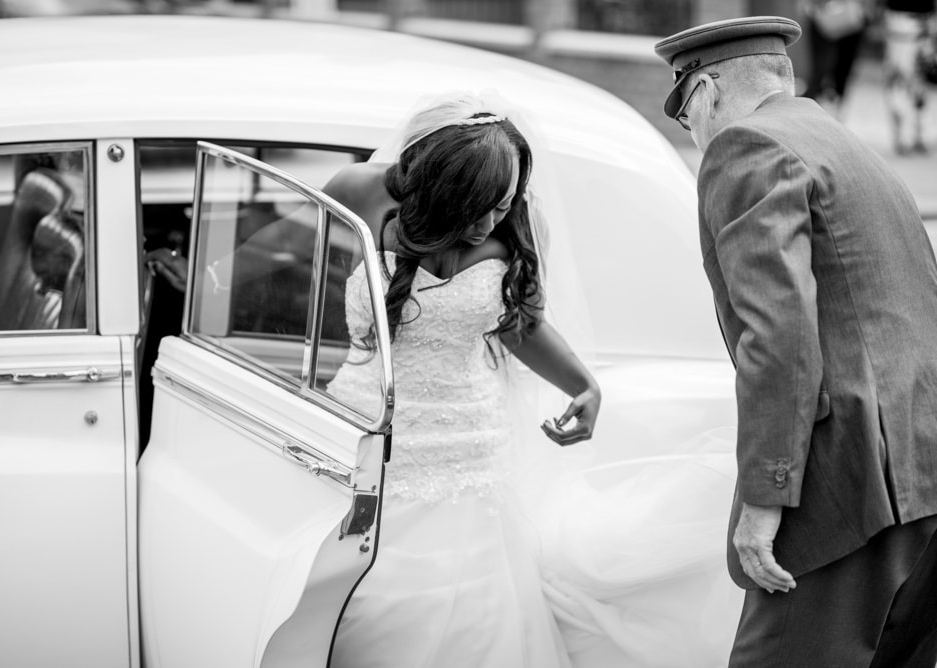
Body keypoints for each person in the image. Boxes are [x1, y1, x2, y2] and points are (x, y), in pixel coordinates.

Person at [320, 93, 743, 668]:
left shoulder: (517, 225)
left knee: (469, 609)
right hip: (356, 431)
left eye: (503, 203)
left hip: (467, 452)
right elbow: (309, 280)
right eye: (477, 207)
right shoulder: (356, 192)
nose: (491, 220)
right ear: (435, 189)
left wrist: (584, 387)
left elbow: (520, 326)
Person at [656, 15, 937, 666]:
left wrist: (764, 498)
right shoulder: (840, 139)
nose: (694, 135)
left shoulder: (748, 146)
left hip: (852, 484)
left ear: (704, 91)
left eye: (685, 116)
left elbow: (779, 339)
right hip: (921, 468)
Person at [799, 0, 871, 117]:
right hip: (821, 14)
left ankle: (834, 113)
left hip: (850, 15)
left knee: (842, 69)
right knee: (820, 71)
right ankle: (812, 114)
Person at [882, 0, 936, 154]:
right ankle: (902, 136)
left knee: (921, 77)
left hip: (926, 19)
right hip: (900, 18)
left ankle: (919, 134)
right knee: (900, 76)